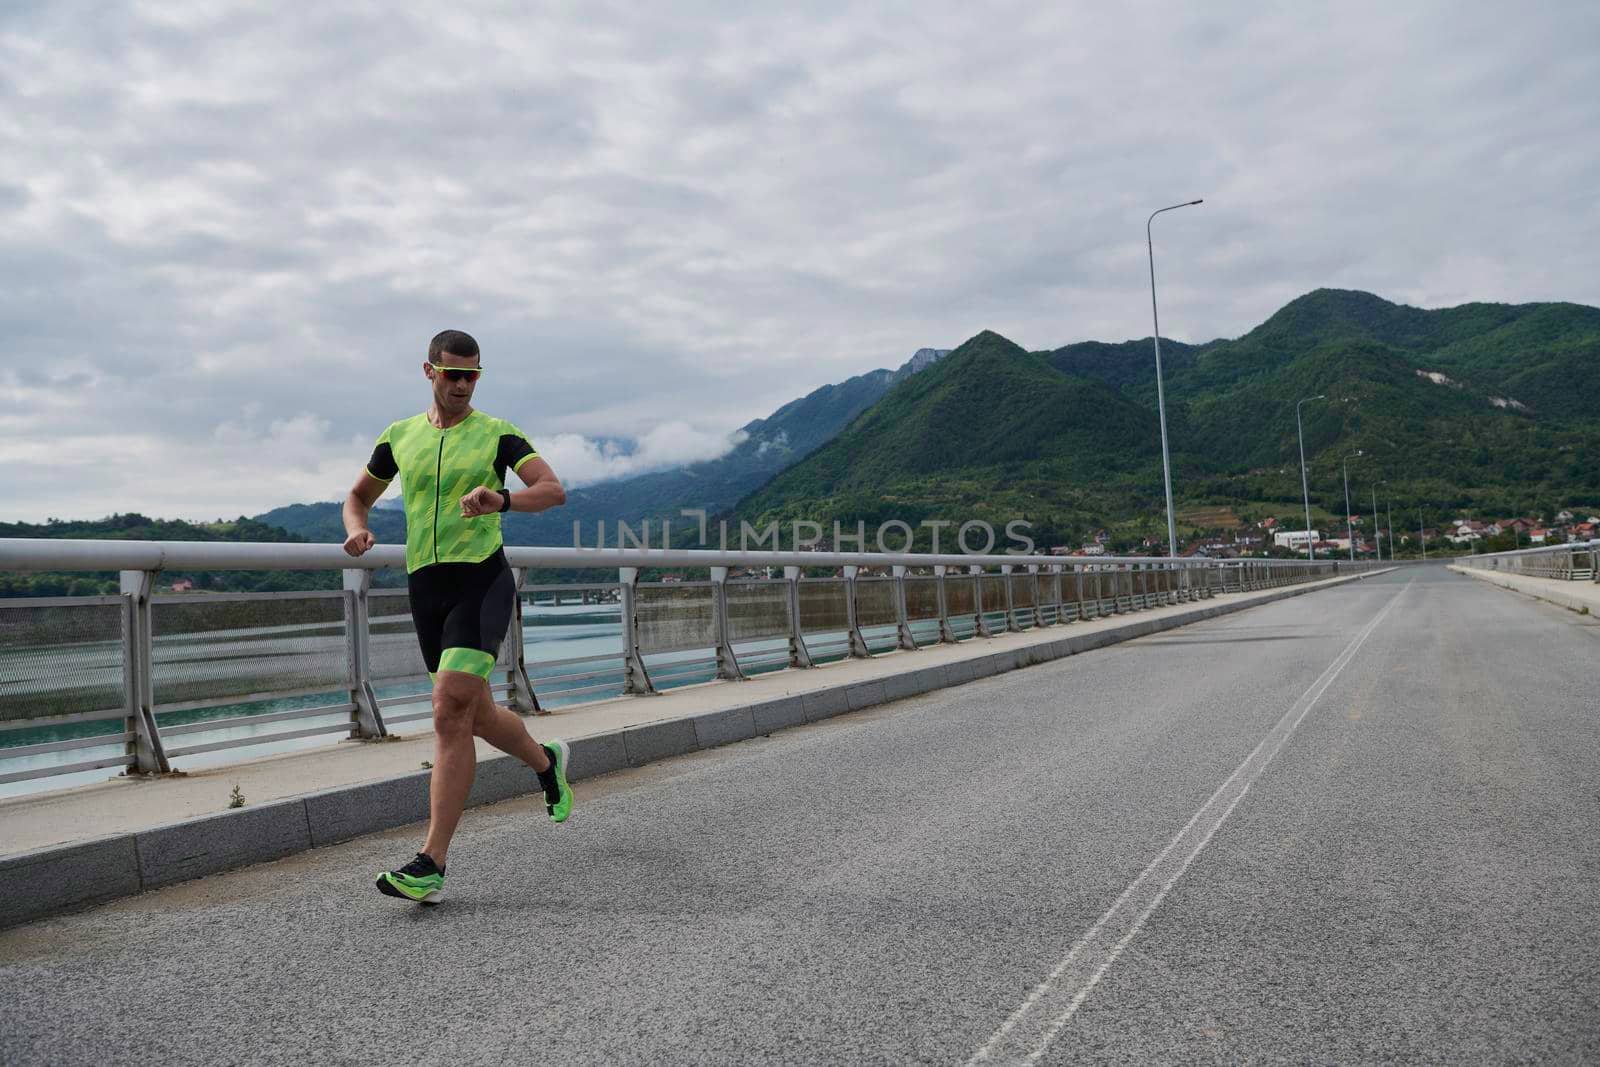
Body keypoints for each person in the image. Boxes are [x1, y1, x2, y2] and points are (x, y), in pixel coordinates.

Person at [342, 329, 571, 904]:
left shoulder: (498, 435)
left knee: (447, 710)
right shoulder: (399, 437)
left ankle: (430, 863)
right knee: (474, 716)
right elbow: (357, 497)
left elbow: (552, 489)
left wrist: (504, 500)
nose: (464, 385)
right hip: (426, 587)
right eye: (453, 375)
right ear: (430, 372)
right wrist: (357, 530)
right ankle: (547, 763)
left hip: (481, 579)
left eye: (473, 376)